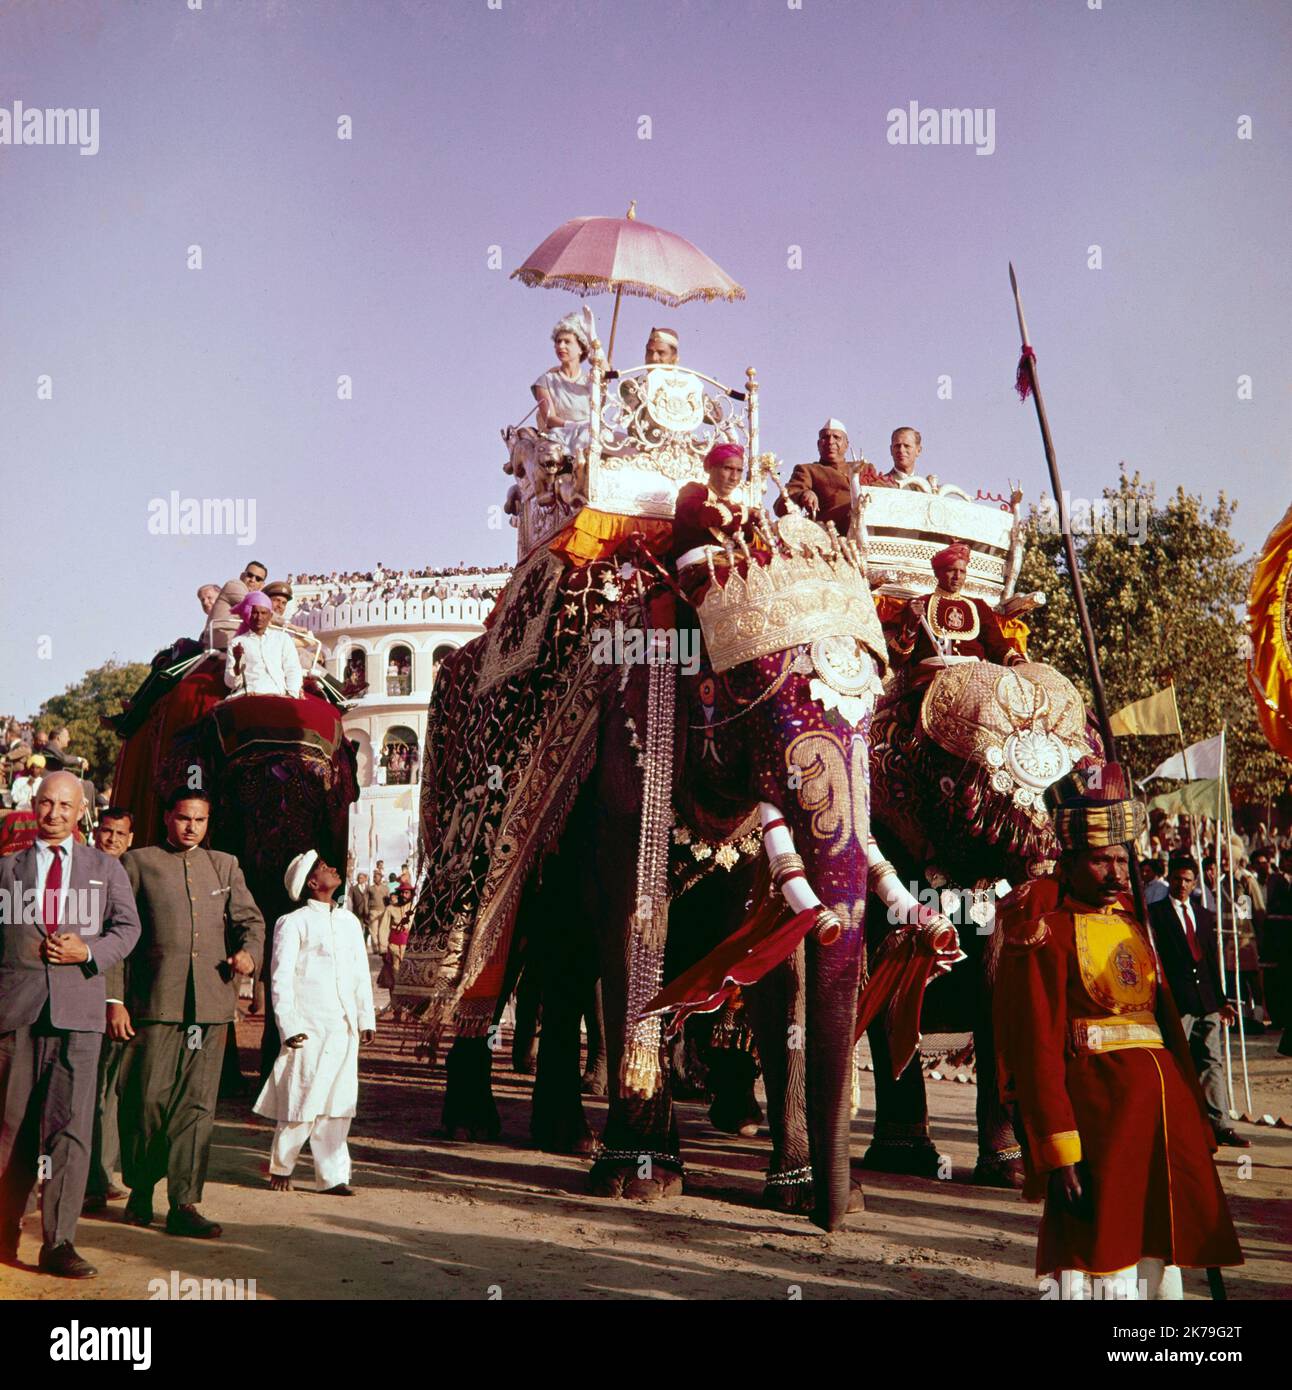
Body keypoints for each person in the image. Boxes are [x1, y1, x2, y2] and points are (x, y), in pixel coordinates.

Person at [995, 764, 1242, 1299]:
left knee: (1159, 1248)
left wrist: (1195, 1118)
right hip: (1099, 1125)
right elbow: (1037, 1051)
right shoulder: (1050, 934)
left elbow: (1170, 1031)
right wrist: (1061, 1153)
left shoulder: (1139, 923)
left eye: (1121, 859)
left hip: (1162, 1120)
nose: (1116, 872)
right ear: (1071, 862)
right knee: (1100, 1248)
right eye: (1101, 860)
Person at [0, 772, 141, 1278]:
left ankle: (58, 1242)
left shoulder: (105, 868)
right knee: (8, 1129)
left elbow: (128, 928)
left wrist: (90, 953)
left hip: (79, 1015)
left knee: (71, 1132)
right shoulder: (6, 869)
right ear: (33, 806)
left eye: (65, 805)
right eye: (45, 803)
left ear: (81, 810)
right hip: (14, 1015)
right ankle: (4, 1231)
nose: (54, 813)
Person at [118, 789, 264, 1237]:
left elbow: (251, 922)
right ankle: (140, 1189)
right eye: (184, 818)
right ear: (167, 818)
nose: (191, 828)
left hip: (211, 1006)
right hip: (155, 1004)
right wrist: (114, 1000)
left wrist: (248, 955)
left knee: (197, 1107)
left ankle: (184, 1203)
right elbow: (117, 934)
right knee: (146, 1100)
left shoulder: (225, 865)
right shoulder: (138, 863)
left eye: (200, 820)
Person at [255, 851, 375, 1195]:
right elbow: (280, 978)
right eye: (325, 868)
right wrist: (288, 1026)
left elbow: (359, 975)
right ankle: (282, 1165)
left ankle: (333, 1176)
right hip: (308, 1026)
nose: (333, 869)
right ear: (312, 882)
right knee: (302, 1097)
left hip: (343, 1026)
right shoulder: (293, 923)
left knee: (339, 1103)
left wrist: (365, 1018)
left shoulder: (350, 922)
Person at [1149, 856, 1248, 1146]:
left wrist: (1221, 1000)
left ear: (1195, 883)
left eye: (1187, 880)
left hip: (1206, 1001)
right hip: (1175, 1001)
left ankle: (1220, 1124)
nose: (1181, 885)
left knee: (1211, 1061)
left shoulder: (1204, 915)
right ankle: (1174, 1124)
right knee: (1175, 1061)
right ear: (1171, 879)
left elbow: (1210, 962)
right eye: (1177, 879)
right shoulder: (1155, 914)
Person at [82, 808, 136, 1214]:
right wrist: (111, 1001)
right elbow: (107, 946)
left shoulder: (132, 871)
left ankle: (103, 1171)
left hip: (138, 1000)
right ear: (95, 833)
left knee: (117, 1090)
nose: (112, 839)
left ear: (130, 839)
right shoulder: (87, 874)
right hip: (96, 996)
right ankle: (90, 1180)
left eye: (120, 833)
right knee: (93, 1091)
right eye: (106, 831)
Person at [888, 542, 1025, 680]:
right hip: (932, 676)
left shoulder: (979, 606)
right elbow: (897, 659)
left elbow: (998, 648)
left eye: (962, 571)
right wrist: (911, 626)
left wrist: (1018, 662)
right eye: (951, 570)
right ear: (938, 572)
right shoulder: (919, 604)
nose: (957, 576)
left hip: (975, 677)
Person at [669, 443, 761, 584]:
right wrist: (744, 513)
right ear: (710, 468)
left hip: (728, 561)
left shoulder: (737, 508)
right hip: (697, 568)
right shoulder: (693, 491)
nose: (734, 477)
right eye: (728, 468)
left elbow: (746, 537)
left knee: (768, 562)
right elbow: (702, 515)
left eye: (739, 471)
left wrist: (757, 519)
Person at [776, 419, 889, 530]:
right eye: (825, 437)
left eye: (837, 437)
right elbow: (781, 506)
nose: (830, 442)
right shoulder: (808, 470)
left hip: (867, 533)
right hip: (831, 535)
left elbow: (884, 492)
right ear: (819, 444)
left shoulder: (864, 468)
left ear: (846, 444)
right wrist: (802, 495)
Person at [531, 312, 593, 456]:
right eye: (558, 342)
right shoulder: (545, 380)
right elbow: (549, 418)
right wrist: (574, 426)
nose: (561, 346)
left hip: (590, 435)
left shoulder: (591, 380)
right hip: (561, 438)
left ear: (581, 348)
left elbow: (606, 372)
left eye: (567, 341)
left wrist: (593, 337)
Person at [225, 591, 303, 698]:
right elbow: (231, 683)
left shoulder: (282, 639)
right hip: (248, 695)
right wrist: (237, 662)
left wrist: (292, 694)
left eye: (263, 613)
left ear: (270, 615)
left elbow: (292, 669)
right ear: (248, 614)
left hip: (279, 695)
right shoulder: (237, 642)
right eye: (255, 612)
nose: (259, 617)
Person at [202, 578, 249, 650]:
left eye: (209, 598)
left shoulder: (231, 589)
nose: (205, 602)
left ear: (219, 595)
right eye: (202, 600)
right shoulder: (207, 630)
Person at [366, 864, 391, 957]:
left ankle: (383, 948)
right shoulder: (370, 888)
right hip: (373, 911)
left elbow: (388, 901)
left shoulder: (386, 888)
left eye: (376, 876)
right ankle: (376, 948)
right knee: (373, 931)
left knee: (383, 930)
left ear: (380, 878)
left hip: (383, 911)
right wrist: (366, 910)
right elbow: (366, 900)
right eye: (374, 877)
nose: (374, 878)